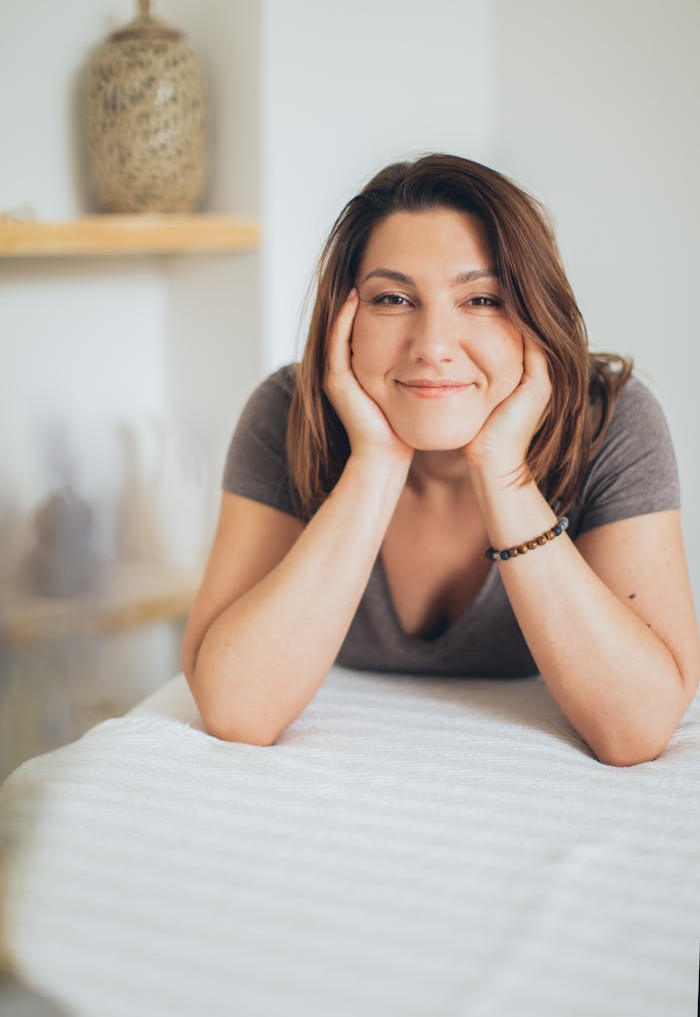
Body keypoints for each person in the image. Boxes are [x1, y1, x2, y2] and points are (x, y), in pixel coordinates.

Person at [181, 153, 700, 765]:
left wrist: (504, 472)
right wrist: (374, 461)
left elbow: (634, 729)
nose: (431, 347)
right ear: (344, 320)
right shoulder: (286, 412)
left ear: (536, 316)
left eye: (481, 300)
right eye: (394, 299)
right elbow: (238, 709)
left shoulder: (611, 420)